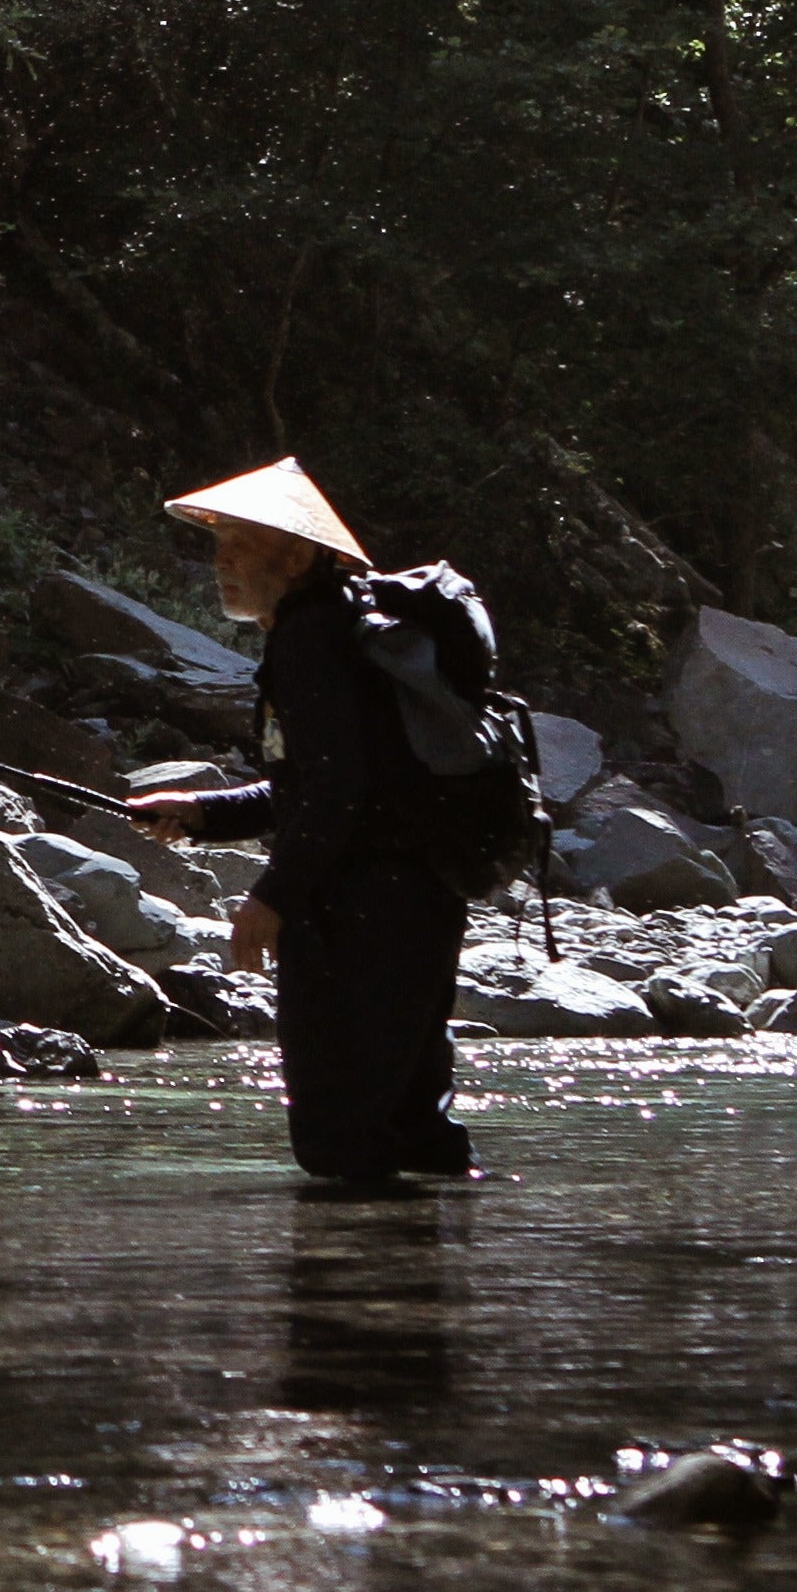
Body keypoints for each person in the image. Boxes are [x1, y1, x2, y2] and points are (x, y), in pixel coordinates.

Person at [121, 456, 486, 1190]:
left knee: (339, 1140)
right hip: (421, 900)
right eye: (217, 546)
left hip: (364, 913)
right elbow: (324, 783)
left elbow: (337, 788)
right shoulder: (346, 629)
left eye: (242, 546)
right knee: (415, 1128)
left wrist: (272, 899)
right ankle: (433, 1295)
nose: (222, 563)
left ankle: (353, 1301)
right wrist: (201, 811)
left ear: (297, 554)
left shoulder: (308, 637)